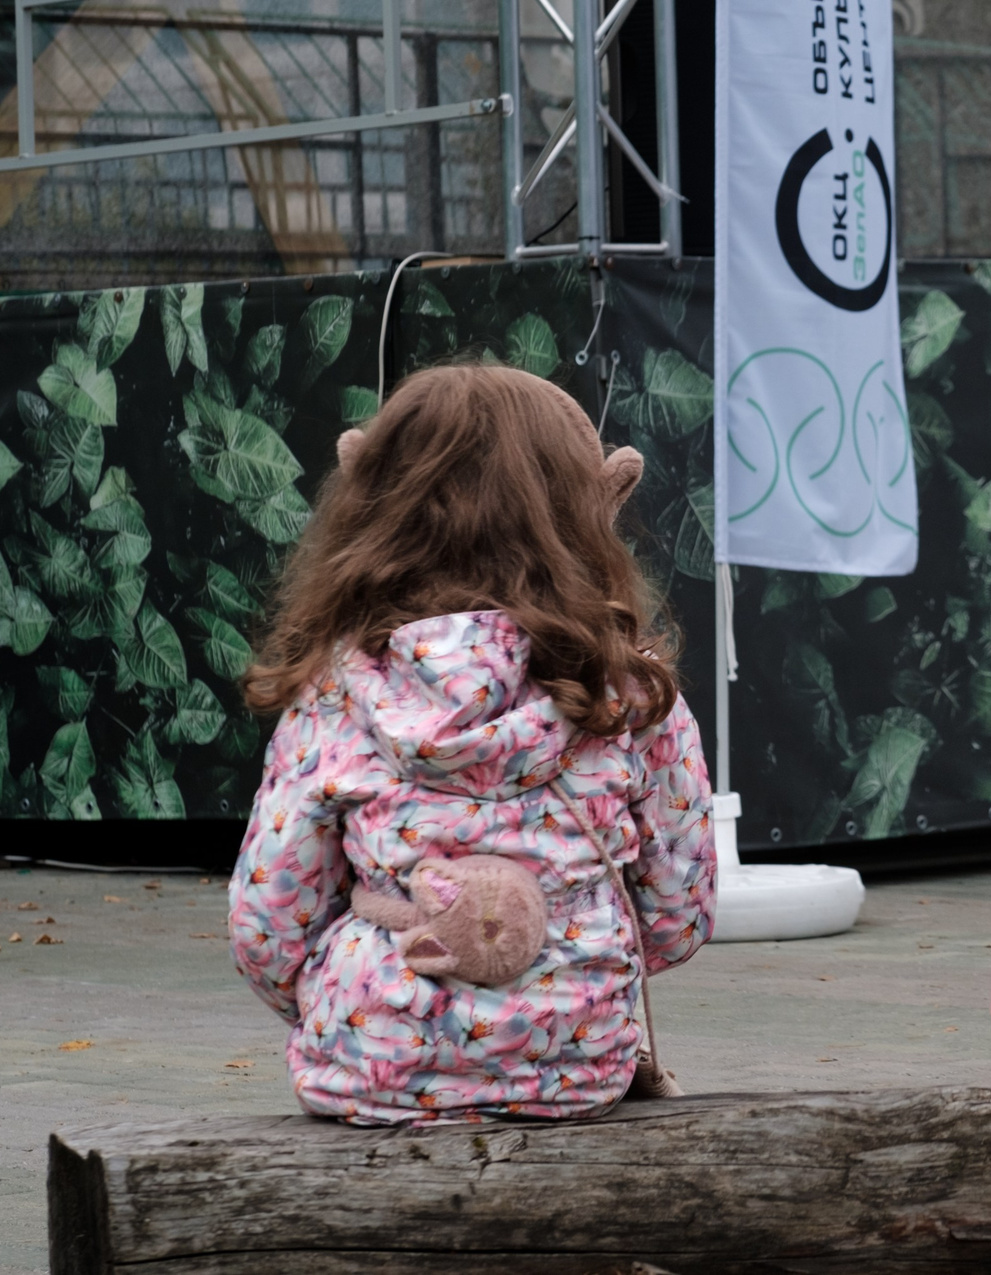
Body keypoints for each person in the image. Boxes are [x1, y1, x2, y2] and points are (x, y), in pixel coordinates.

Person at [228, 363, 714, 1124]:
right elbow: (679, 910)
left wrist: (359, 1001)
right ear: (586, 513)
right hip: (577, 1063)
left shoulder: (333, 693)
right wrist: (555, 962)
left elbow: (268, 922)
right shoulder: (634, 699)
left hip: (374, 1067)